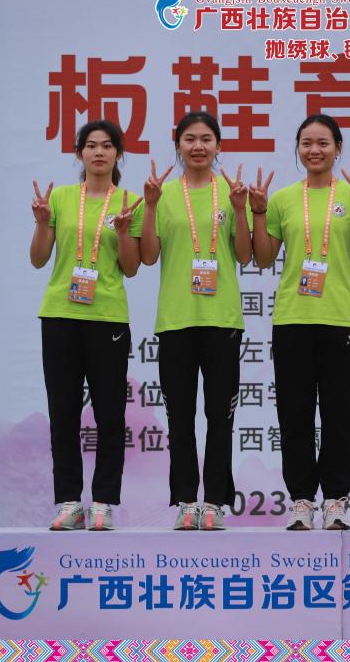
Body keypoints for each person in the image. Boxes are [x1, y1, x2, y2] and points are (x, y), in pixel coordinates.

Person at [251, 114, 350, 530]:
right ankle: (301, 501)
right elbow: (263, 258)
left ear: (338, 149)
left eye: (323, 143)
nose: (315, 150)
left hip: (339, 319)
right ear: (298, 149)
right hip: (292, 318)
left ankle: (336, 501)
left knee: (340, 414)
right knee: (294, 413)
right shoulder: (283, 199)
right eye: (307, 143)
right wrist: (259, 213)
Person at [139, 111, 257, 530]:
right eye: (190, 139)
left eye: (207, 139)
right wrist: (150, 206)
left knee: (220, 417)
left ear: (219, 146)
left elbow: (245, 255)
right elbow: (148, 256)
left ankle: (215, 503)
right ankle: (187, 501)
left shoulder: (232, 193)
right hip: (176, 320)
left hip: (222, 318)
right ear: (178, 146)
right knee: (180, 417)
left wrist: (240, 211)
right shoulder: (163, 194)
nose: (198, 146)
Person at [30, 120, 142, 531]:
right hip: (60, 314)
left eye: (107, 146)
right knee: (63, 412)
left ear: (118, 154)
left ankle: (104, 502)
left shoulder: (129, 202)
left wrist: (125, 231)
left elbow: (132, 267)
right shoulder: (60, 198)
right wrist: (42, 222)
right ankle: (68, 501)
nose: (99, 152)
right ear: (79, 153)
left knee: (110, 414)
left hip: (107, 316)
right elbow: (38, 259)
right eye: (91, 146)